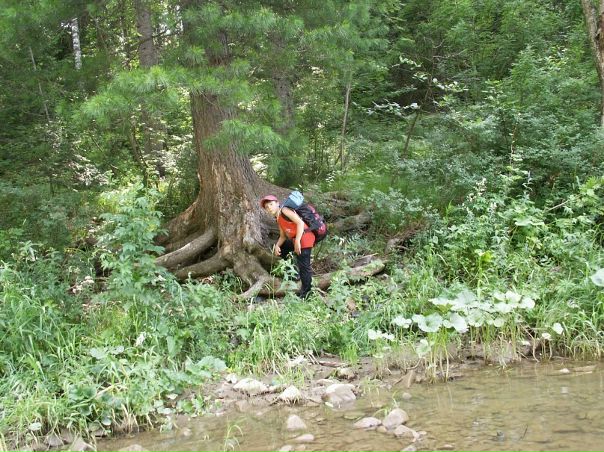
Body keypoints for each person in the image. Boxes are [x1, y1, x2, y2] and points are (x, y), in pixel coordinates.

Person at [260, 194, 315, 298]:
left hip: (305, 237)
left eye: (271, 204)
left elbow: (300, 223)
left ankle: (306, 293)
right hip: (297, 239)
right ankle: (294, 273)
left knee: (304, 266)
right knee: (283, 247)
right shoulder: (278, 218)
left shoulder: (284, 210)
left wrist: (297, 241)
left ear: (277, 203)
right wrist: (277, 246)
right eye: (267, 207)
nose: (269, 208)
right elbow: (283, 236)